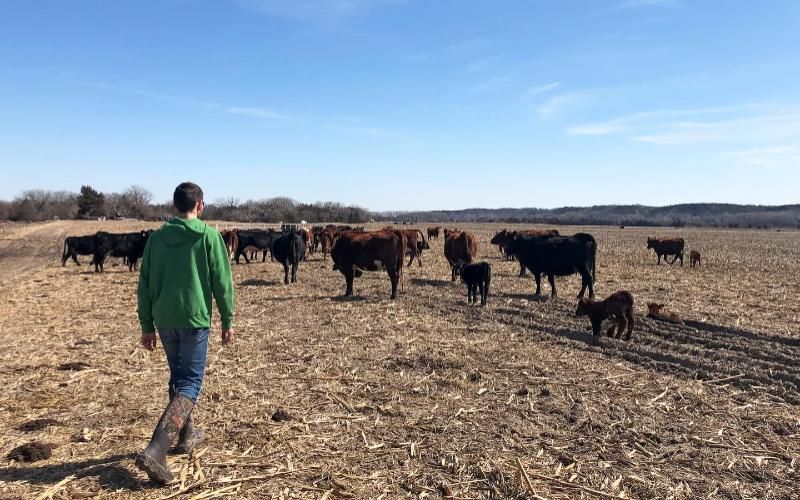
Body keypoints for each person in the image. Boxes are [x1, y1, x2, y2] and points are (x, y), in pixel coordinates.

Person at [135, 182, 235, 484]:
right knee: (190, 383)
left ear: (174, 206)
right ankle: (156, 450)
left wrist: (147, 325)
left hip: (165, 319)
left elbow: (145, 283)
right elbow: (222, 281)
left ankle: (187, 434)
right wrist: (228, 320)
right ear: (200, 206)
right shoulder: (209, 236)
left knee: (179, 377)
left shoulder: (157, 239)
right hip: (194, 320)